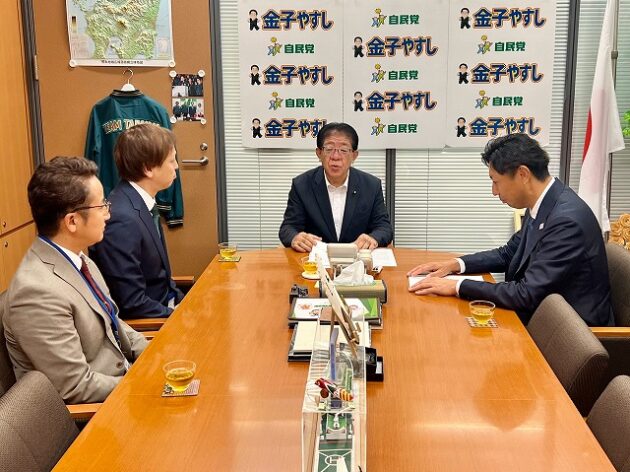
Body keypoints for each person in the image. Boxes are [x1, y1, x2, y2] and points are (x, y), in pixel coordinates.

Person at [408, 133, 613, 326]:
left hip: (569, 335)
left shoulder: (566, 222)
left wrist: (456, 286)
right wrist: (456, 265)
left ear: (523, 174)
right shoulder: (545, 203)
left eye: (496, 181)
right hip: (540, 315)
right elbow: (508, 253)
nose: (494, 192)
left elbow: (526, 293)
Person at [2, 157, 148, 404]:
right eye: (101, 206)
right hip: (95, 414)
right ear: (72, 221)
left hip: (121, 386)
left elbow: (112, 323)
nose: (108, 214)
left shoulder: (79, 258)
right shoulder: (36, 293)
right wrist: (144, 383)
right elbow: (75, 387)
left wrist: (156, 355)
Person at [90, 124, 184, 318]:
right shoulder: (121, 219)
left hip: (165, 304)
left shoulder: (139, 201)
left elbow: (160, 279)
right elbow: (132, 303)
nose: (176, 166)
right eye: (171, 160)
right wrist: (177, 317)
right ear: (148, 169)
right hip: (151, 323)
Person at [279, 122, 393, 252]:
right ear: (319, 153)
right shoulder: (302, 185)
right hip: (316, 260)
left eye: (343, 150)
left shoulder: (371, 185)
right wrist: (295, 237)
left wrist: (373, 238)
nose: (336, 157)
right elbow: (288, 227)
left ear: (354, 155)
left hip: (358, 259)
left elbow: (384, 228)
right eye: (329, 149)